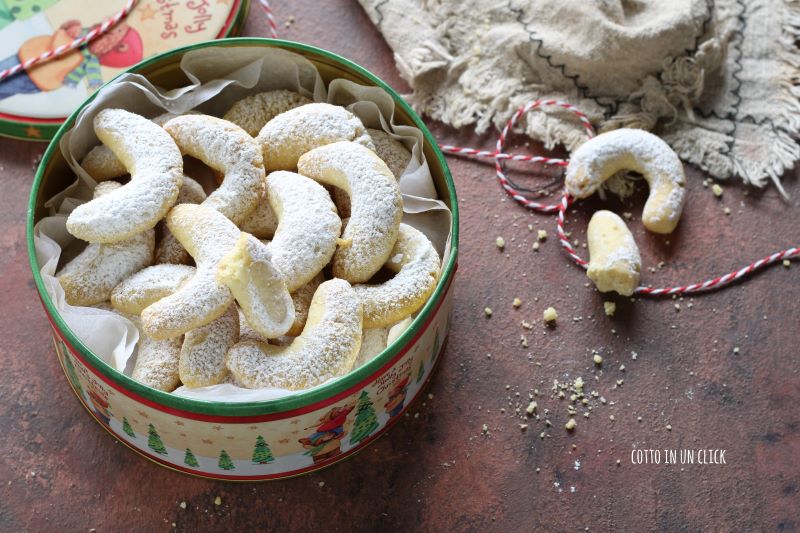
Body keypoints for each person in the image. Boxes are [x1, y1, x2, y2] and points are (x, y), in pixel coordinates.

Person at [0, 19, 142, 101]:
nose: (105, 42)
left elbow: (94, 77)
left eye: (113, 40)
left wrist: (96, 85)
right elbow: (62, 35)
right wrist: (68, 28)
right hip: (25, 58)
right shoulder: (77, 34)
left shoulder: (89, 60)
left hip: (37, 80)